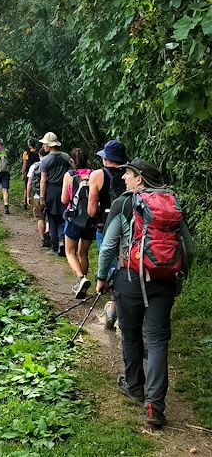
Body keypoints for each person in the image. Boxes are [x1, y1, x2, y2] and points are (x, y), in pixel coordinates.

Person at [95, 158, 193, 428]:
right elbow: (189, 249)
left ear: (139, 178)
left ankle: (135, 386)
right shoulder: (172, 203)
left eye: (128, 174)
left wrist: (101, 278)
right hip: (164, 281)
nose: (124, 177)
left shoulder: (125, 203)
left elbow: (108, 247)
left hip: (130, 278)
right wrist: (179, 276)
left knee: (130, 332)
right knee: (158, 340)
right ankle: (155, 405)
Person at [88, 139, 128, 327]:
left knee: (110, 262)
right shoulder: (131, 174)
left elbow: (91, 211)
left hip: (105, 226)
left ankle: (114, 309)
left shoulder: (97, 175)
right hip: (129, 229)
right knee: (125, 264)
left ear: (106, 159)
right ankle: (118, 306)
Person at [61, 148, 95, 298]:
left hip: (74, 218)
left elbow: (64, 199)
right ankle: (83, 285)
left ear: (72, 161)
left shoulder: (69, 175)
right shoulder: (94, 174)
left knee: (70, 252)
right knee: (83, 253)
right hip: (90, 218)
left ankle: (81, 278)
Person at [38, 132, 71, 256]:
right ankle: (63, 242)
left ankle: (54, 246)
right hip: (64, 189)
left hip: (51, 190)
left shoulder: (45, 160)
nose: (43, 146)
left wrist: (42, 197)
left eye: (45, 144)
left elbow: (43, 180)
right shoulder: (66, 157)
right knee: (63, 217)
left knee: (51, 218)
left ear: (49, 145)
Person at [27, 148, 49, 247]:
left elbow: (29, 183)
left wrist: (27, 196)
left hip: (37, 195)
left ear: (40, 155)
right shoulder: (50, 165)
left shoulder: (34, 166)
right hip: (49, 195)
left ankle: (43, 239)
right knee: (49, 218)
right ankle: (49, 236)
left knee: (40, 218)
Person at [21, 138, 39, 209]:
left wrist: (23, 173)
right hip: (37, 172)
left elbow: (24, 165)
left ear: (29, 145)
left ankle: (25, 202)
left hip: (29, 173)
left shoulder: (26, 153)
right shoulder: (38, 153)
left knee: (27, 187)